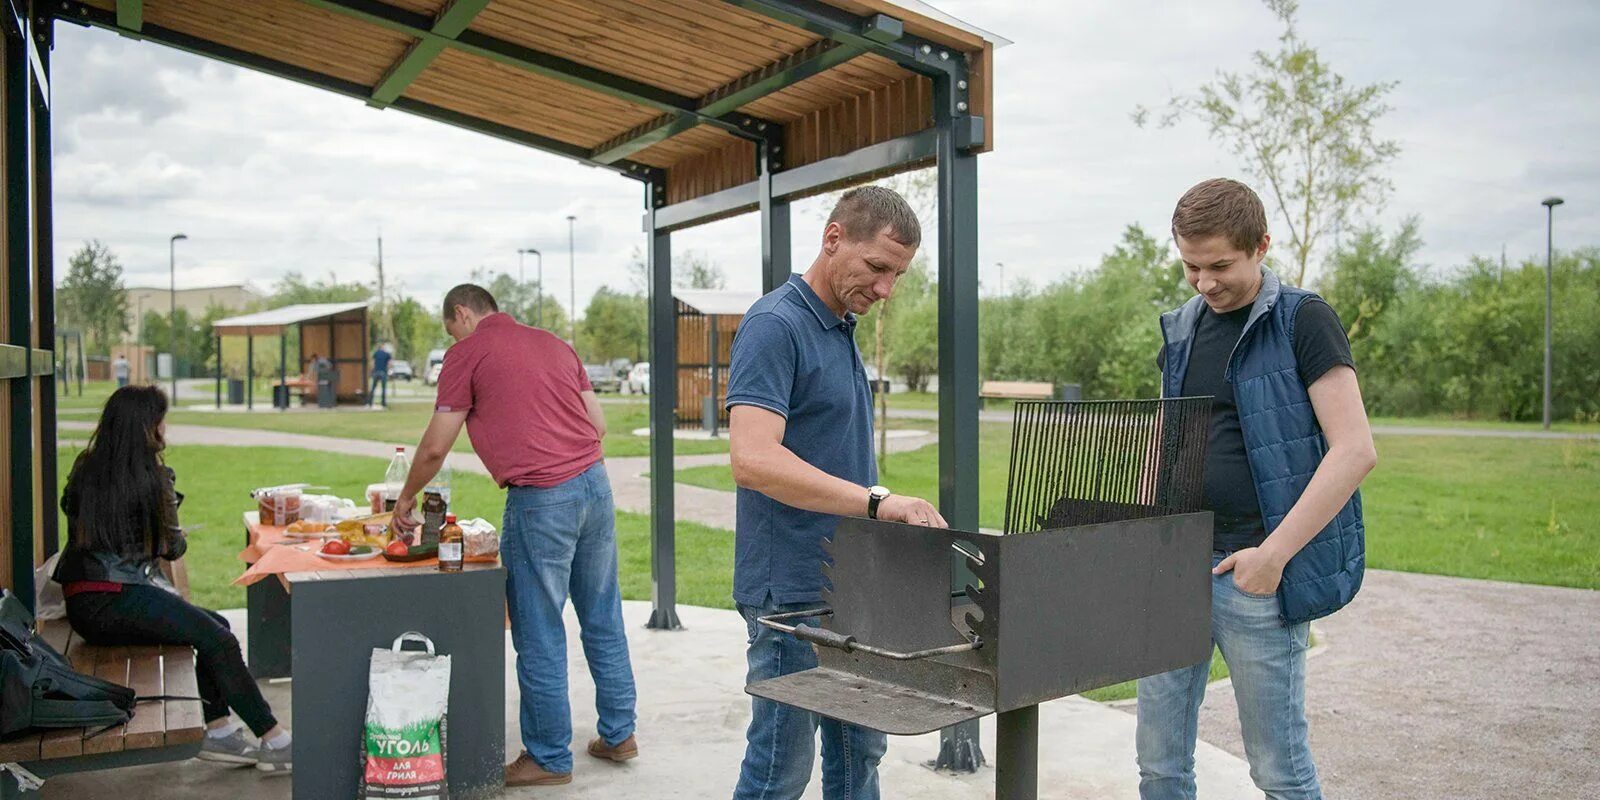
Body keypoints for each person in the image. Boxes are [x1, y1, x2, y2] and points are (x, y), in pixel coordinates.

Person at [1136, 178, 1377, 800]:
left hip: (1254, 575)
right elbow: (1167, 441)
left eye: (1220, 265)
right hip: (1175, 568)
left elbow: (1354, 451)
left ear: (1261, 246)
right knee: (1160, 767)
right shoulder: (1183, 326)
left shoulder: (1304, 319)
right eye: (1191, 266)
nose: (1204, 282)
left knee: (1278, 771)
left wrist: (1273, 557)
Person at [725, 185, 948, 800]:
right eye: (877, 268)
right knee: (780, 768)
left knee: (859, 756)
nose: (886, 290)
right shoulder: (776, 325)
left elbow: (827, 453)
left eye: (897, 275)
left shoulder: (840, 325)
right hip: (791, 592)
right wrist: (877, 502)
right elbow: (753, 459)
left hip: (851, 581)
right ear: (832, 239)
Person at [392, 284, 636, 788]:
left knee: (538, 626)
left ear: (461, 313)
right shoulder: (553, 343)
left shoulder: (467, 354)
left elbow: (437, 446)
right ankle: (619, 734)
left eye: (450, 328)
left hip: (542, 498)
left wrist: (405, 497)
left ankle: (548, 756)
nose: (453, 337)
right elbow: (599, 423)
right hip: (595, 487)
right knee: (602, 612)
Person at [53, 385, 292, 773]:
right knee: (218, 638)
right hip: (119, 596)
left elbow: (76, 514)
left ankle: (218, 730)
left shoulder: (87, 467)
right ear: (150, 428)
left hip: (83, 601)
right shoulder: (152, 476)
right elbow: (173, 548)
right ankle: (274, 738)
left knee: (217, 625)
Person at [369, 341, 392, 407]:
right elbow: (390, 364)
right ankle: (383, 403)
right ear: (383, 347)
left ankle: (370, 402)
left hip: (376, 372)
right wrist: (387, 369)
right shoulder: (387, 354)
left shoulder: (376, 353)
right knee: (383, 388)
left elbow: (372, 363)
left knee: (373, 388)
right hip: (383, 373)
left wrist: (372, 371)